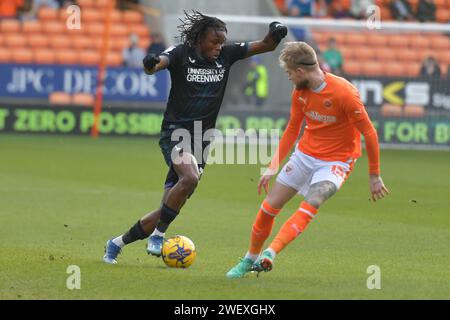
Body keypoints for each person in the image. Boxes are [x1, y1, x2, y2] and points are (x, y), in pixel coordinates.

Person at [103, 11, 288, 264]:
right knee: (189, 178)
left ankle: (116, 243)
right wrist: (150, 64)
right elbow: (158, 64)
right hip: (175, 133)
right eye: (215, 41)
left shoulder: (226, 55)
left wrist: (276, 30)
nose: (219, 46)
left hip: (201, 139)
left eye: (222, 42)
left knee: (168, 206)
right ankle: (158, 236)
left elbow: (267, 45)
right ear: (200, 39)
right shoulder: (181, 54)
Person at [226, 41, 389, 278]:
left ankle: (270, 253)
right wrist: (272, 166)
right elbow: (293, 128)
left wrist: (374, 175)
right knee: (269, 207)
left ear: (301, 72)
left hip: (336, 162)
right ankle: (249, 259)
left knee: (315, 198)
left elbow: (369, 133)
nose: (289, 78)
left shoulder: (344, 93)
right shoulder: (300, 92)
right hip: (305, 155)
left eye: (289, 73)